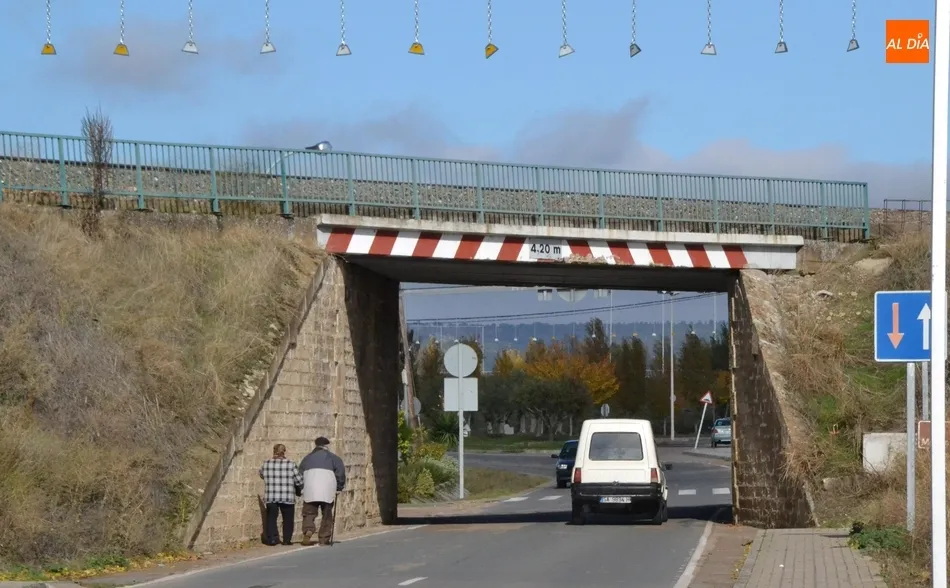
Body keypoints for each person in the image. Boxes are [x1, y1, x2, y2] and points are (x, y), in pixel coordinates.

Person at [298, 436, 346, 546]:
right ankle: (324, 538)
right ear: (326, 446)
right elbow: (340, 474)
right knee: (327, 515)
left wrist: (300, 489)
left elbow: (300, 474)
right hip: (327, 490)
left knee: (309, 513)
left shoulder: (307, 458)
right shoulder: (334, 458)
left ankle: (308, 530)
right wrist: (339, 487)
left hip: (310, 489)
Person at [258, 443, 303, 546]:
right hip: (287, 496)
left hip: (271, 496)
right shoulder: (291, 464)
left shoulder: (266, 464)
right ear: (284, 451)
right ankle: (286, 540)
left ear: (274, 451)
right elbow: (299, 481)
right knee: (288, 519)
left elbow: (261, 474)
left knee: (271, 517)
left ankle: (272, 539)